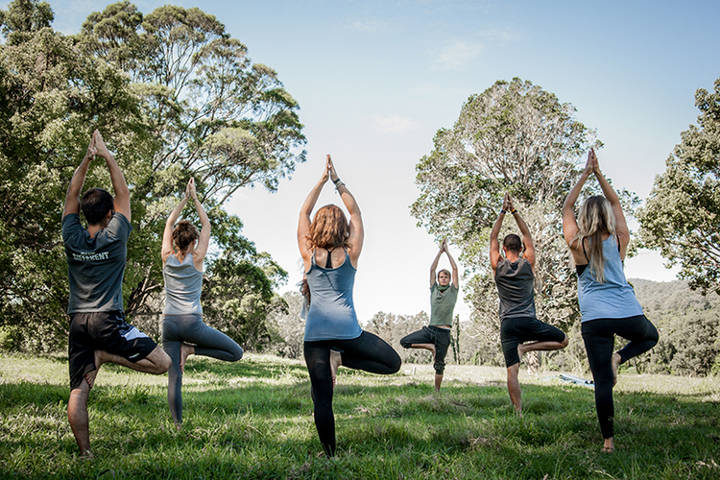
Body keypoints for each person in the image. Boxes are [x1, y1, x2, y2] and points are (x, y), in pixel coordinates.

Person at [62, 130, 170, 457]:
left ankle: (85, 454)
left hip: (78, 321)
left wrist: (86, 159)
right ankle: (106, 355)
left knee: (79, 390)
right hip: (108, 319)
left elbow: (71, 194)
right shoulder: (116, 235)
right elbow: (123, 193)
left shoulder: (71, 235)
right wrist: (108, 156)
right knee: (163, 363)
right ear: (110, 215)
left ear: (83, 214)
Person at [297, 154, 401, 456]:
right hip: (347, 333)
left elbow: (304, 210)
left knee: (322, 400)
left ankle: (329, 455)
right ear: (341, 225)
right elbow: (356, 213)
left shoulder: (307, 253)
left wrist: (319, 181)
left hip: (315, 336)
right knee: (392, 364)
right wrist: (337, 181)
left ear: (317, 225)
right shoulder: (351, 252)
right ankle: (341, 358)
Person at [562, 148, 658, 453]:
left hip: (594, 318)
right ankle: (621, 356)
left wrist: (584, 174)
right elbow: (615, 202)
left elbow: (566, 206)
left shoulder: (578, 244)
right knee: (650, 336)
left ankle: (608, 442)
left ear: (585, 218)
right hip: (627, 311)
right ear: (606, 216)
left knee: (602, 381)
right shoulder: (620, 239)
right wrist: (599, 174)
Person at [161, 178, 243, 429]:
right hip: (191, 323)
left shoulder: (166, 256)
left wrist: (183, 199)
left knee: (174, 378)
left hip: (169, 323)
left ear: (175, 241)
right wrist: (195, 198)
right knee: (236, 353)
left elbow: (168, 222)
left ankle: (177, 427)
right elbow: (206, 224)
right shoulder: (198, 258)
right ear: (194, 241)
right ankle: (191, 350)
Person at [490, 193, 568, 415]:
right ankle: (526, 347)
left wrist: (503, 211)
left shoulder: (498, 266)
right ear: (521, 249)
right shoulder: (528, 264)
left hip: (508, 324)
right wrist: (514, 211)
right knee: (563, 340)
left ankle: (518, 412)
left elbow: (492, 237)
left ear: (504, 249)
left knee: (511, 372)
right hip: (527, 321)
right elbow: (527, 234)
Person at [400, 239, 459, 391]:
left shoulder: (453, 291)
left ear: (449, 279)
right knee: (404, 342)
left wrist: (448, 252)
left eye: (446, 277)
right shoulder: (433, 289)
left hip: (444, 333)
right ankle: (430, 347)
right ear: (438, 279)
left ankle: (437, 392)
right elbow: (432, 270)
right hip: (430, 330)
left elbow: (455, 269)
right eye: (441, 277)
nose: (443, 278)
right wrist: (440, 252)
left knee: (439, 365)